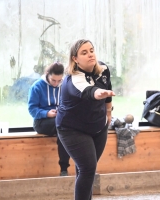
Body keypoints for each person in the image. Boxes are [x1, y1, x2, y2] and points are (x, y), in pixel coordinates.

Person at [56, 39, 115, 200]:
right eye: (84, 52)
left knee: (85, 170)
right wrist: (99, 94)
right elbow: (89, 91)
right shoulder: (73, 79)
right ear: (75, 59)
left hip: (97, 127)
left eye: (91, 50)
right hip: (72, 129)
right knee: (88, 168)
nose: (90, 54)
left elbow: (107, 86)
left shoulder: (103, 69)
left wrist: (108, 111)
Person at [28, 62, 70, 176]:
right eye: (53, 80)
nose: (56, 83)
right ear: (47, 75)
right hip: (41, 122)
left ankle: (67, 168)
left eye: (59, 80)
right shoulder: (37, 86)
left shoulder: (65, 86)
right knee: (62, 126)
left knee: (67, 127)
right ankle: (64, 168)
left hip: (60, 120)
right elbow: (32, 109)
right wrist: (47, 113)